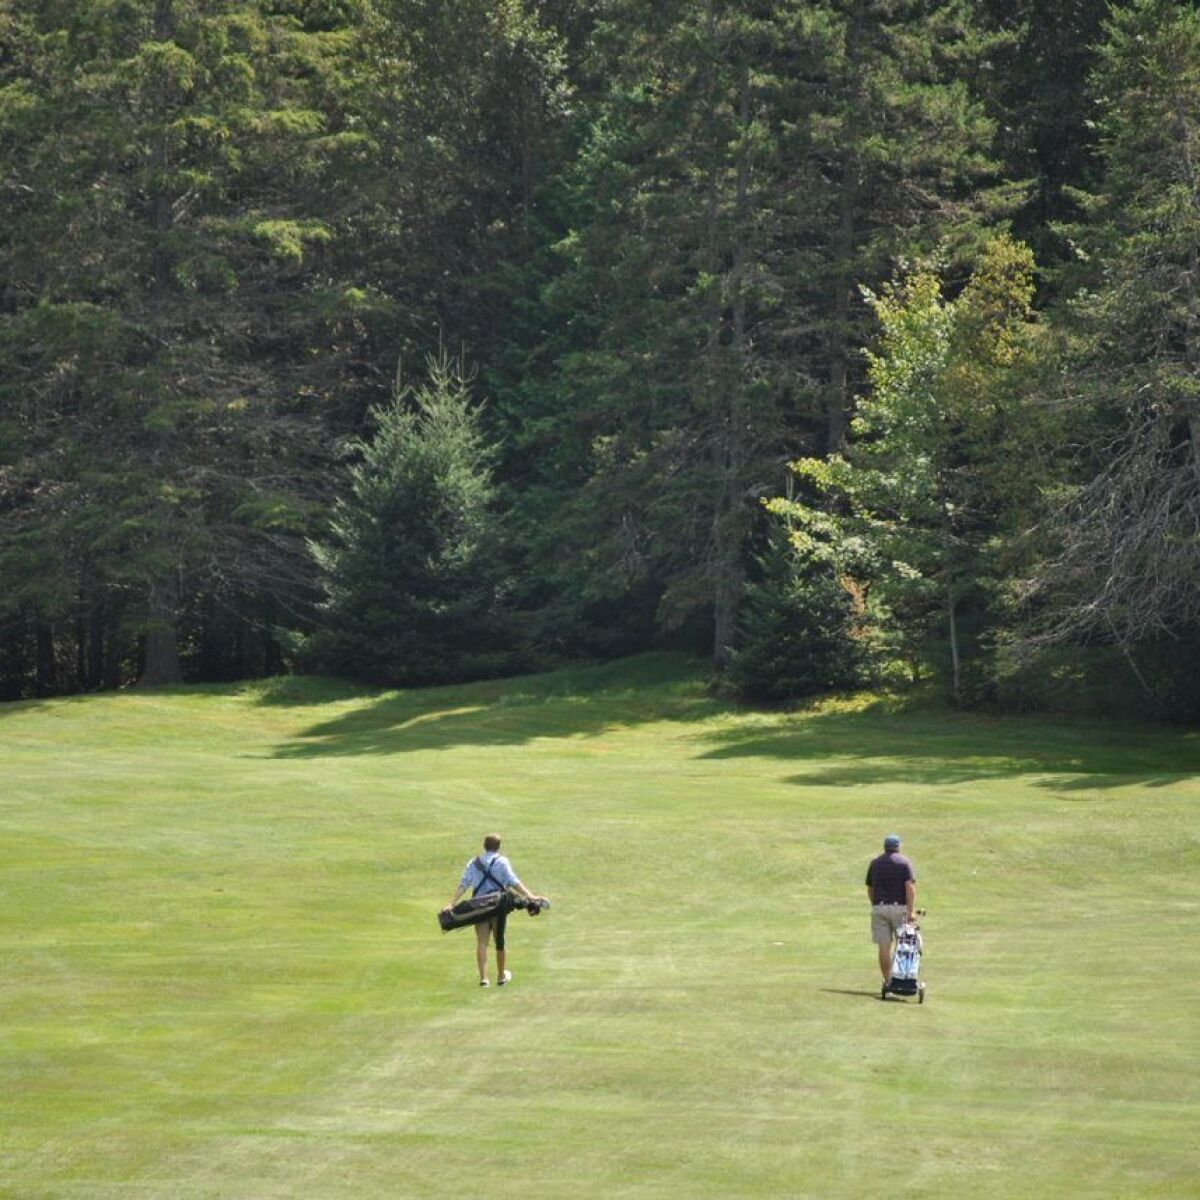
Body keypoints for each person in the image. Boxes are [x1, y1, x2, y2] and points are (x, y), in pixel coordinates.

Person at [442, 834, 546, 987]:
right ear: (498, 847)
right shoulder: (502, 861)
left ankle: (484, 979)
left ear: (484, 846)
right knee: (500, 941)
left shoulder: (473, 862)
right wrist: (530, 896)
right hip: (498, 906)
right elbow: (513, 881)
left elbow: (464, 884)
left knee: (482, 942)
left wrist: (451, 903)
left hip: (479, 906)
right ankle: (501, 977)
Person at [865, 833, 916, 992]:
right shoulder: (904, 862)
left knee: (884, 947)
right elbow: (910, 888)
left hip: (879, 907)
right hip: (899, 908)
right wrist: (910, 910)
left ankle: (888, 981)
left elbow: (870, 888)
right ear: (898, 847)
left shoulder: (875, 863)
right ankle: (901, 978)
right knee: (903, 945)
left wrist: (875, 904)